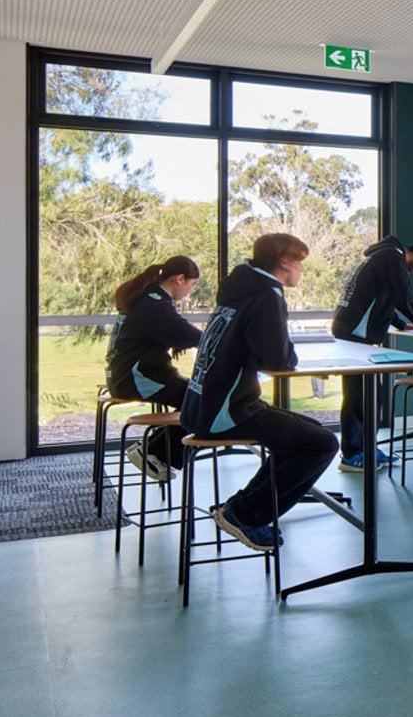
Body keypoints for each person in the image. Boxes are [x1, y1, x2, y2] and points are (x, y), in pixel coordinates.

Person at [181, 234, 338, 552]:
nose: (300, 270)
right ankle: (245, 514)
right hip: (227, 411)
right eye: (299, 262)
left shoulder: (239, 290)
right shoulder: (267, 295)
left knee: (311, 433)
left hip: (202, 405)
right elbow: (279, 360)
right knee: (322, 444)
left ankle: (243, 507)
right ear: (283, 261)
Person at [330, 236, 413, 472]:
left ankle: (367, 449)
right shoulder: (391, 257)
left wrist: (402, 325)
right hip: (355, 334)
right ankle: (352, 455)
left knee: (370, 395)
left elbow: (384, 297)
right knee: (360, 396)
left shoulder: (383, 257)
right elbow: (402, 294)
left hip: (354, 332)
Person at [105, 255, 203, 480]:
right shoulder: (154, 305)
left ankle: (153, 448)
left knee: (200, 397)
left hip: (125, 376)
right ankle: (154, 452)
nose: (190, 291)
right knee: (203, 400)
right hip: (136, 378)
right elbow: (188, 334)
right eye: (192, 285)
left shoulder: (147, 298)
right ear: (180, 279)